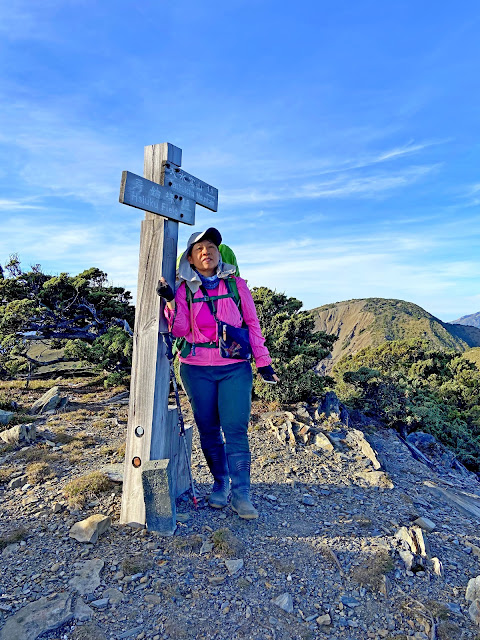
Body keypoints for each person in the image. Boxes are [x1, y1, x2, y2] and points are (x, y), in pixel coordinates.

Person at [157, 227, 278, 519]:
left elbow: (252, 324)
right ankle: (220, 484)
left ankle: (242, 494)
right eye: (198, 249)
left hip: (234, 367)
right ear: (190, 258)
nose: (205, 252)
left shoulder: (236, 285)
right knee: (208, 429)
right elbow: (181, 330)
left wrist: (263, 361)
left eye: (210, 246)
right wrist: (171, 301)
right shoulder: (185, 289)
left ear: (218, 252)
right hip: (196, 368)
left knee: (235, 428)